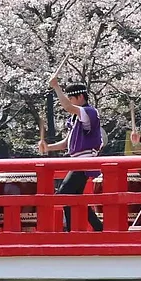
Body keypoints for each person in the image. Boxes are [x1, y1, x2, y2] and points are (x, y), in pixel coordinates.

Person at [38, 77, 104, 232]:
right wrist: (47, 148)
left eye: (72, 98)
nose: (70, 102)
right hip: (77, 161)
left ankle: (72, 230)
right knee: (74, 197)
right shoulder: (76, 117)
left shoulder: (89, 112)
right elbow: (66, 143)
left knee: (64, 194)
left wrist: (56, 87)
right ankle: (98, 228)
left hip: (85, 161)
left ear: (80, 97)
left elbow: (67, 106)